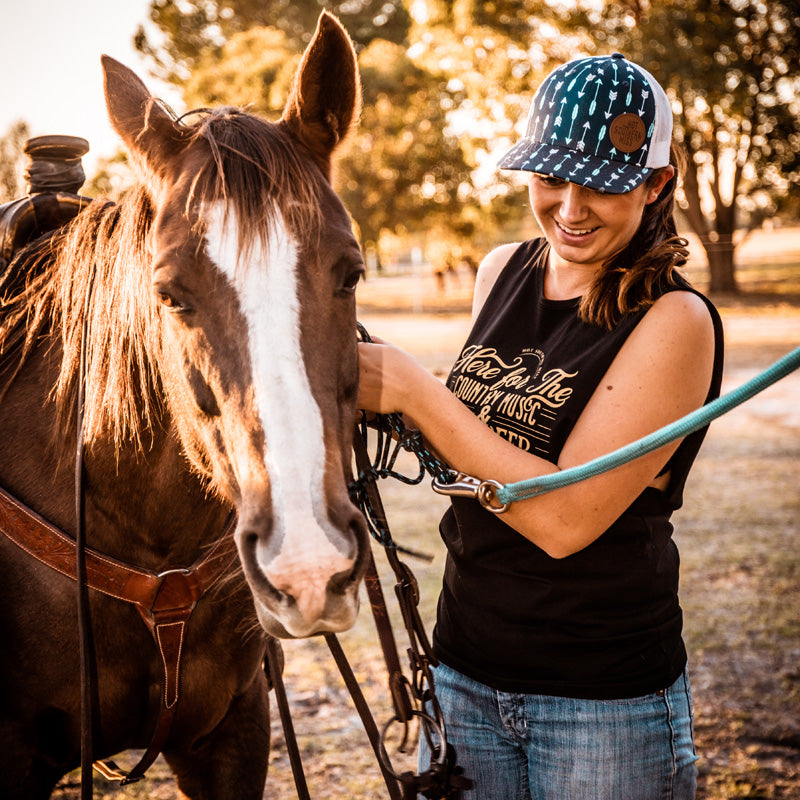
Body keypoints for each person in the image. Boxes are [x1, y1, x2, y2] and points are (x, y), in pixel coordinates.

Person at [357, 52, 724, 800]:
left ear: (657, 184)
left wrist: (416, 393)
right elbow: (471, 449)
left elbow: (564, 518)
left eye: (601, 185)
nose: (569, 206)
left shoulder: (674, 319)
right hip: (462, 670)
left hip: (600, 705)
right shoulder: (502, 270)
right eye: (551, 177)